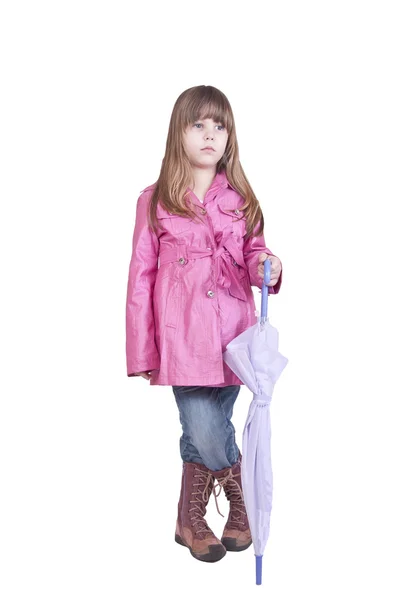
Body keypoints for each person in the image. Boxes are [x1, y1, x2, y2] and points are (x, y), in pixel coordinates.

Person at [125, 85, 283, 563]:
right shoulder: (155, 200)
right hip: (182, 338)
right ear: (180, 132)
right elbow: (139, 278)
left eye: (220, 126)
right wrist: (142, 352)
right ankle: (241, 496)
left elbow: (255, 252)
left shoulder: (241, 199)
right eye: (199, 125)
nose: (210, 134)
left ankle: (188, 519)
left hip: (234, 335)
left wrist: (269, 266)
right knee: (206, 427)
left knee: (205, 430)